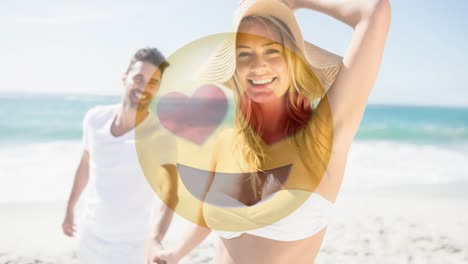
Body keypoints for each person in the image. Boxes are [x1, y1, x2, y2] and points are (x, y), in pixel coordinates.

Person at [155, 0, 391, 263]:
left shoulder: (322, 135)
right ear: (234, 68)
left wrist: (294, 2)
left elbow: (374, 11)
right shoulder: (228, 141)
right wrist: (174, 254)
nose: (258, 66)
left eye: (272, 52)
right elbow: (208, 215)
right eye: (244, 53)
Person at [61, 47, 179, 264]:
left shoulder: (161, 136)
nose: (144, 87)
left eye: (153, 82)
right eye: (139, 78)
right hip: (90, 237)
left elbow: (169, 196)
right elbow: (86, 164)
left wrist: (156, 239)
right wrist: (70, 209)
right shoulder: (94, 119)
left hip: (132, 247)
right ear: (124, 78)